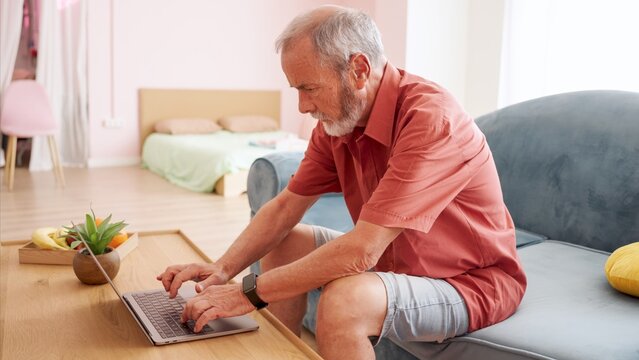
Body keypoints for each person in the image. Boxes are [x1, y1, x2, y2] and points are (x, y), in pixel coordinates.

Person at [157, 5, 526, 359]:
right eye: (296, 90)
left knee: (344, 300)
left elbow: (362, 250)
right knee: (284, 241)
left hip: (467, 282)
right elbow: (286, 206)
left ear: (359, 69)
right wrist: (222, 269)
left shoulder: (431, 120)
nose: (302, 106)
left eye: (309, 88)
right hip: (391, 261)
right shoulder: (337, 125)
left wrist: (248, 294)